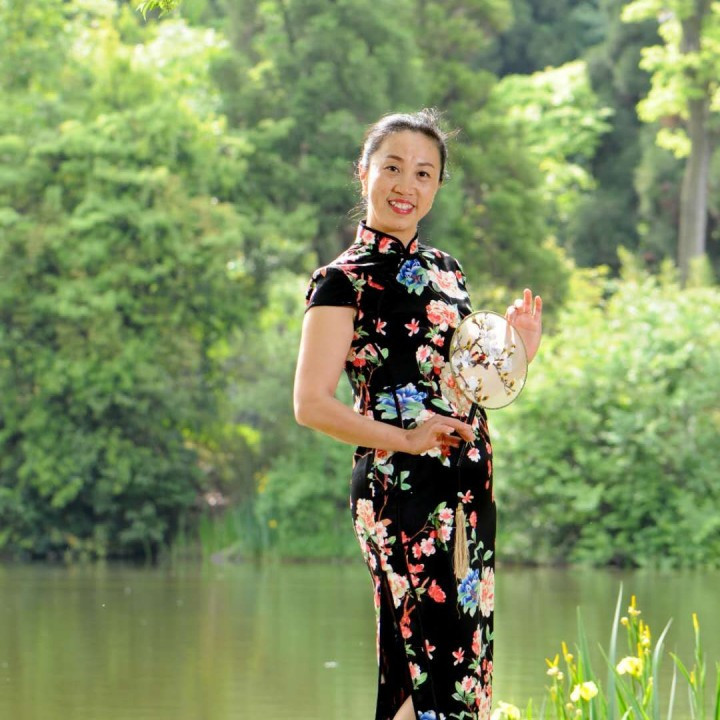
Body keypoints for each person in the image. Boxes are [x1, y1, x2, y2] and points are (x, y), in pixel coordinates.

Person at [294, 109, 543, 720]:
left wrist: (519, 351)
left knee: (459, 673)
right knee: (426, 667)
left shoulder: (447, 271)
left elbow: (463, 387)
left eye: (424, 173)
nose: (407, 185)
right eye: (393, 167)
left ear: (437, 186)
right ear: (364, 172)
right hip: (400, 490)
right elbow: (310, 404)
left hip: (466, 490)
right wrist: (406, 439)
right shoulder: (340, 282)